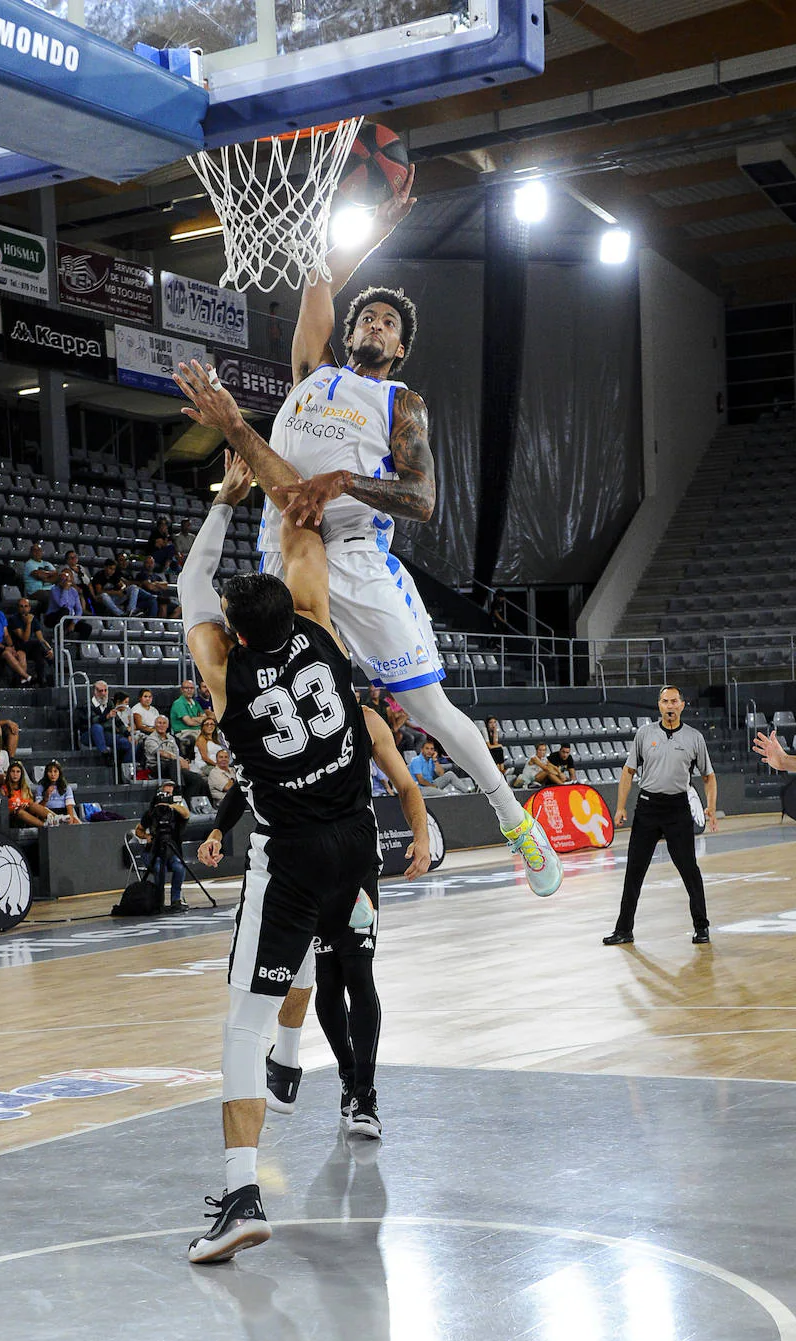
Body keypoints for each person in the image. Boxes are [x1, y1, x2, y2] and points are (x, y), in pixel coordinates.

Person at [173, 200, 561, 898]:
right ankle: (300, 851)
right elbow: (318, 276)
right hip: (286, 546)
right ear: (346, 334)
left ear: (400, 349)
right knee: (272, 700)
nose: (374, 325)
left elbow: (422, 499)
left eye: (388, 324)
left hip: (355, 555)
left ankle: (514, 821)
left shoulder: (400, 403)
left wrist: (345, 478)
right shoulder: (311, 373)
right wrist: (371, 221)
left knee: (431, 710)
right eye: (367, 318)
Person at [177, 445, 382, 1265]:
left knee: (239, 1025)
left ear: (234, 631)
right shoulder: (321, 630)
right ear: (292, 614)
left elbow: (191, 587)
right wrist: (296, 484)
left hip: (290, 855)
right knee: (314, 957)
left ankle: (241, 1194)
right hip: (356, 845)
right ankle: (294, 1065)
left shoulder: (226, 678)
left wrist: (225, 501)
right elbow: (304, 536)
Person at [199, 702, 431, 1135]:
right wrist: (217, 829)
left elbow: (405, 783)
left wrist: (421, 835)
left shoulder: (362, 718)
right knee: (329, 979)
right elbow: (245, 785)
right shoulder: (284, 713)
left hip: (356, 862)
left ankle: (365, 1094)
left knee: (359, 972)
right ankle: (346, 1077)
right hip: (307, 865)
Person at [603, 685, 717, 947]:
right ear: (659, 705)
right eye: (665, 701)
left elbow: (708, 776)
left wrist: (711, 806)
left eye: (674, 701)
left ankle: (702, 927)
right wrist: (620, 807)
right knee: (634, 871)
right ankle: (624, 930)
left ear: (682, 705)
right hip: (647, 808)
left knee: (690, 871)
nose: (669, 706)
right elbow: (628, 771)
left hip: (677, 809)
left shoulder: (694, 738)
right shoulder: (645, 734)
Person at [134, 779, 190, 912]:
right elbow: (138, 830)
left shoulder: (177, 812)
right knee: (159, 867)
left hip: (172, 850)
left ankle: (176, 900)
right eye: (165, 792)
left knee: (179, 867)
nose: (167, 795)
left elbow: (186, 814)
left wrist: (170, 806)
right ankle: (158, 901)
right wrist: (147, 836)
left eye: (170, 792)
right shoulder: (152, 813)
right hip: (153, 851)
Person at [143, 715, 210, 799]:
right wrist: (179, 759)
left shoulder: (171, 738)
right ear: (155, 725)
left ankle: (188, 802)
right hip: (156, 768)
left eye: (164, 723)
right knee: (173, 763)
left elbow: (176, 753)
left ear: (167, 726)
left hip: (173, 767)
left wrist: (182, 761)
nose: (162, 725)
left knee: (196, 779)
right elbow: (161, 753)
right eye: (159, 723)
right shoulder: (150, 739)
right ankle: (178, 790)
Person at [7, 597, 54, 686]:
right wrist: (28, 623)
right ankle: (54, 664)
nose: (24, 609)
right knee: (36, 644)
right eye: (21, 606)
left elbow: (41, 639)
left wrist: (49, 649)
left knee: (39, 657)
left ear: (29, 608)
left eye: (26, 606)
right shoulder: (14, 619)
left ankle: (41, 681)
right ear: (18, 608)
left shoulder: (33, 619)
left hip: (32, 647)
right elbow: (25, 638)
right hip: (19, 646)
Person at [83, 680, 132, 762]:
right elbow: (92, 720)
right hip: (90, 734)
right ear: (95, 692)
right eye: (100, 691)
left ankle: (125, 770)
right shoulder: (87, 705)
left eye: (105, 690)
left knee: (127, 743)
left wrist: (128, 734)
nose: (103, 693)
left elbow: (118, 721)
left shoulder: (109, 703)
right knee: (97, 727)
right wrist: (107, 716)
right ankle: (105, 753)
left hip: (106, 734)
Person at [409, 738, 474, 793]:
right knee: (443, 794)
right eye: (427, 748)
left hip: (431, 784)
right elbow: (421, 780)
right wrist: (434, 787)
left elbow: (441, 773)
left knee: (450, 774)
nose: (429, 751)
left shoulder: (431, 760)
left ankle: (468, 793)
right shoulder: (416, 761)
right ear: (422, 750)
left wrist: (435, 760)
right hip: (420, 788)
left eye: (432, 749)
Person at [1, 760, 51, 828]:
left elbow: (32, 807)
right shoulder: (3, 789)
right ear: (9, 773)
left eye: (18, 772)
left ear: (21, 774)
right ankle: (45, 826)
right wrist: (18, 808)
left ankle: (56, 818)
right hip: (13, 816)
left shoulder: (25, 788)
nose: (15, 774)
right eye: (13, 771)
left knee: (32, 805)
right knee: (20, 812)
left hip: (27, 814)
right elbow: (3, 810)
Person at [170, 679, 208, 757]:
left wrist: (193, 718)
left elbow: (205, 718)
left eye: (191, 688)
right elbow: (189, 722)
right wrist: (199, 719)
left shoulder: (195, 702)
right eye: (186, 688)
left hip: (198, 730)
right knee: (201, 740)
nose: (189, 690)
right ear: (181, 690)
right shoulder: (178, 703)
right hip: (184, 733)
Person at [35, 760, 81, 824]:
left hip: (63, 813)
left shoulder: (66, 787)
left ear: (59, 773)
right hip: (47, 813)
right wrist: (45, 798)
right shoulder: (40, 787)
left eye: (55, 771)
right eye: (50, 772)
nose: (53, 774)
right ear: (46, 773)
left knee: (76, 821)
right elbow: (38, 809)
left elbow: (69, 807)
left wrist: (70, 820)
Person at [23, 543, 58, 610]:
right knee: (48, 596)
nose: (37, 552)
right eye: (35, 550)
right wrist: (50, 575)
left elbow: (56, 576)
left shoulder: (47, 563)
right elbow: (38, 575)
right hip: (35, 592)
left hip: (50, 590)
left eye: (39, 550)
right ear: (31, 553)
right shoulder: (29, 564)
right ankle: (48, 617)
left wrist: (45, 578)